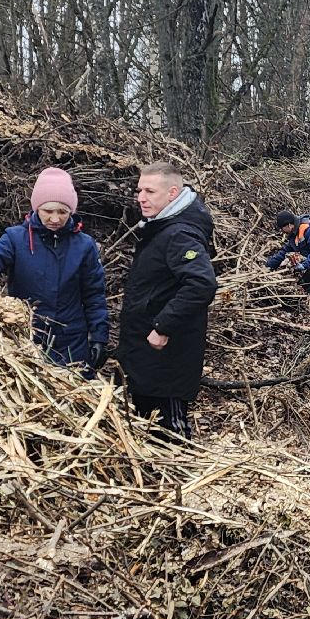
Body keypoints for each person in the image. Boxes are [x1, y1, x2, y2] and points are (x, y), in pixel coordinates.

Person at [0, 167, 109, 373]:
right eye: (48, 211)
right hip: (26, 336)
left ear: (71, 211)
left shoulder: (84, 245)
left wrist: (99, 337)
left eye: (62, 212)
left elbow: (94, 294)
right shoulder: (16, 238)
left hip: (71, 341)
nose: (55, 219)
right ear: (36, 208)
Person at [115, 161, 218, 438]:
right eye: (139, 190)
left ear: (172, 193)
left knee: (170, 436)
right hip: (145, 355)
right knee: (145, 429)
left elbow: (202, 283)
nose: (141, 198)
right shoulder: (160, 227)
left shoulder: (179, 233)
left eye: (150, 191)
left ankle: (179, 482)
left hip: (166, 359)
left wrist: (163, 326)